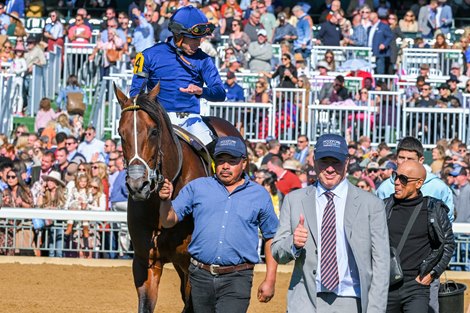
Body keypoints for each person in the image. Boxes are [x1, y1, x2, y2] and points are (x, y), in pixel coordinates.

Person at [158, 136, 278, 312]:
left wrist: (270, 279)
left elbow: (271, 237)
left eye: (232, 161)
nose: (225, 166)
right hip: (200, 276)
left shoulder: (259, 195)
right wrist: (165, 201)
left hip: (237, 277)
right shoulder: (197, 187)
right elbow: (168, 221)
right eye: (221, 160)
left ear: (244, 163)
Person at [271, 133, 389, 313]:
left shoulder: (371, 205)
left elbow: (381, 264)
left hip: (352, 300)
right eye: (324, 161)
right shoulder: (294, 200)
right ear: (313, 161)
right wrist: (293, 244)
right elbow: (278, 252)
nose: (330, 168)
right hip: (305, 301)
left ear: (347, 162)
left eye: (337, 162)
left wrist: (375, 310)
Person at [375, 136, 454, 313]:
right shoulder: (384, 205)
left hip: (417, 286)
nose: (396, 182)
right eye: (396, 177)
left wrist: (433, 273)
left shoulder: (433, 208)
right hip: (387, 284)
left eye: (403, 179)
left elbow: (448, 244)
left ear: (419, 183)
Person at [130, 6, 225, 149]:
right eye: (193, 39)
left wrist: (201, 91)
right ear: (178, 35)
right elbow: (134, 93)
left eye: (200, 38)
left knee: (214, 151)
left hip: (191, 121)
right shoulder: (147, 56)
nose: (198, 43)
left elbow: (220, 93)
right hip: (157, 119)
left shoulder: (204, 60)